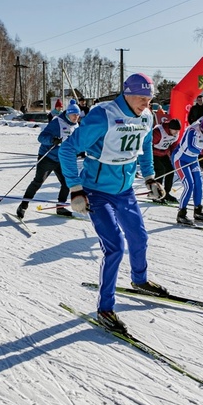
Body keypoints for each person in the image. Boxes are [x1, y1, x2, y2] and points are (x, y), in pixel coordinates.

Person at [58, 73, 167, 334]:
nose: (146, 103)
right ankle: (105, 308)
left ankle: (139, 280)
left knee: (139, 237)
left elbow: (145, 148)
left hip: (125, 190)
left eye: (149, 98)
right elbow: (67, 149)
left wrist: (150, 177)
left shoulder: (146, 116)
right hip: (96, 191)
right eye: (141, 98)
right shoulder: (102, 115)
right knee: (115, 247)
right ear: (127, 93)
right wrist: (75, 189)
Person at [16, 99, 81, 219]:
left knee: (66, 183)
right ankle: (23, 206)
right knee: (38, 182)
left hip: (62, 159)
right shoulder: (57, 122)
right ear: (68, 113)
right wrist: (52, 140)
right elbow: (41, 138)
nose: (76, 117)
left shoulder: (76, 126)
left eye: (77, 115)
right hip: (48, 157)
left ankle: (60, 207)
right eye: (73, 114)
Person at [151, 117, 182, 204]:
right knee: (160, 170)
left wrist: (174, 158)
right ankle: (156, 193)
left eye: (178, 130)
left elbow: (174, 147)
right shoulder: (158, 132)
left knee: (170, 170)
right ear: (169, 128)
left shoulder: (176, 134)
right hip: (153, 154)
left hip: (163, 153)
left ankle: (166, 193)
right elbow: (148, 144)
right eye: (175, 130)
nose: (176, 132)